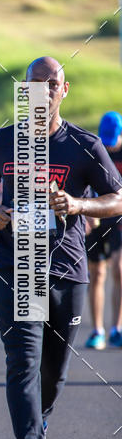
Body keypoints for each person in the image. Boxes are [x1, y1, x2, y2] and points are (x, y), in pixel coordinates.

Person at [0, 57, 122, 439]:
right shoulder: (1, 142)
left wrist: (78, 205)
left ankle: (36, 433)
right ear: (24, 91)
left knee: (53, 372)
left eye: (51, 83)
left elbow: (117, 198)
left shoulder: (83, 145)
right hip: (18, 267)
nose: (44, 91)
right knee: (22, 363)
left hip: (66, 267)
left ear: (64, 89)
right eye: (35, 84)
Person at [84, 111, 122, 349]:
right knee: (96, 273)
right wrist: (86, 210)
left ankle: (116, 327)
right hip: (96, 215)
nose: (108, 146)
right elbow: (83, 180)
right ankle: (97, 329)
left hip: (118, 216)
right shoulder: (94, 150)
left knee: (119, 269)